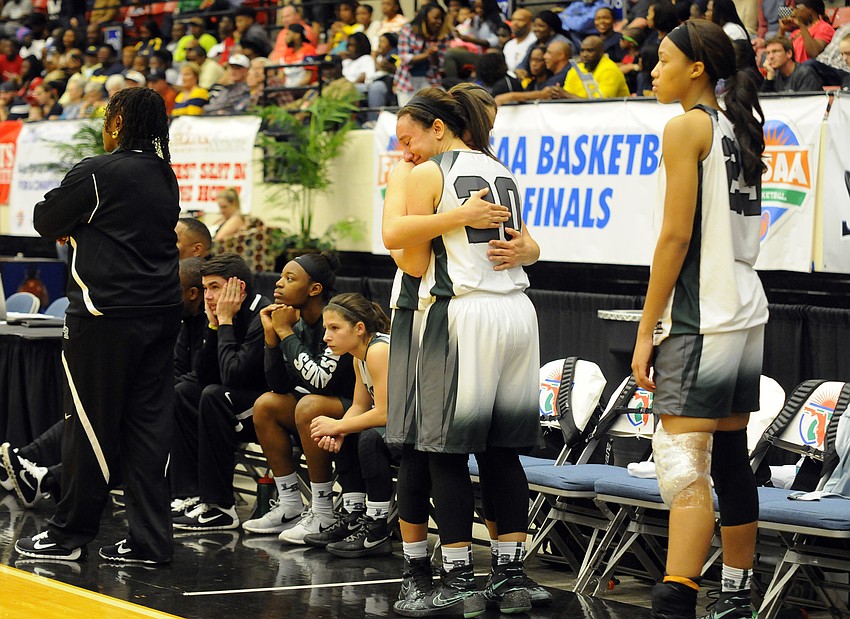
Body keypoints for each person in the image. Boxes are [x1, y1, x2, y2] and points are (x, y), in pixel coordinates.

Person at [385, 85, 543, 617]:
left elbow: (408, 256)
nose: (405, 149)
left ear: (438, 127)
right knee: (501, 452)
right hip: (516, 311)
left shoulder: (426, 173)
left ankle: (454, 576)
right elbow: (527, 245)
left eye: (408, 138)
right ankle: (510, 574)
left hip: (458, 313)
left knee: (438, 450)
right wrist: (527, 249)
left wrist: (442, 218)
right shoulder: (500, 170)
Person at [630, 19, 768, 619]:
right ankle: (736, 593)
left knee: (683, 462)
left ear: (696, 69)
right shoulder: (739, 124)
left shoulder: (687, 126)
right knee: (731, 455)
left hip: (703, 311)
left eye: (663, 60)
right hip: (744, 305)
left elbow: (676, 236)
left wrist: (646, 327)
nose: (652, 70)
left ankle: (677, 595)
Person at [17, 87, 182, 565]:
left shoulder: (97, 171)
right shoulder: (164, 174)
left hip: (103, 317)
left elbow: (45, 218)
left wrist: (76, 228)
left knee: (87, 428)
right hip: (161, 312)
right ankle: (150, 543)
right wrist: (84, 229)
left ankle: (68, 536)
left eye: (108, 115)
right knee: (148, 431)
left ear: (118, 122)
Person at [1, 257, 208, 511]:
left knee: (125, 425)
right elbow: (177, 369)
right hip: (174, 403)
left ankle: (45, 478)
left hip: (194, 410)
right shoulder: (186, 317)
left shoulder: (211, 320)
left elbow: (204, 376)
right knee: (102, 406)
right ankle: (31, 464)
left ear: (193, 293)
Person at [241, 252, 357, 540]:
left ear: (314, 289)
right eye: (281, 277)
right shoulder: (297, 322)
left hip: (362, 411)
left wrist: (284, 331)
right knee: (266, 405)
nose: (278, 284)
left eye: (289, 278)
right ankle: (290, 504)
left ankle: (323, 512)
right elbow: (278, 386)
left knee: (309, 406)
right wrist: (272, 338)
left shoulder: (337, 319)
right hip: (322, 410)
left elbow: (320, 381)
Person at [170, 253, 270, 531]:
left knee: (213, 396)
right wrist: (214, 325)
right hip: (237, 400)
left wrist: (223, 322)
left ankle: (221, 507)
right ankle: (189, 494)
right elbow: (204, 374)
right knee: (183, 392)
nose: (209, 296)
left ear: (239, 287)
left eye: (215, 287)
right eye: (205, 289)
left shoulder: (261, 314)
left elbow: (233, 375)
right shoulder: (217, 313)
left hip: (268, 406)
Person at [307, 292, 396, 558]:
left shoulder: (379, 350)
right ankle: (354, 516)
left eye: (334, 328)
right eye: (326, 329)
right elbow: (359, 405)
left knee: (367, 437)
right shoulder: (360, 356)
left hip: (423, 432)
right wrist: (340, 429)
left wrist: (337, 427)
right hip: (399, 428)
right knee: (348, 430)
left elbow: (385, 414)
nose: (326, 337)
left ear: (359, 328)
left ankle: (377, 528)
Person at [394, 3, 451, 107]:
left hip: (430, 81)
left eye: (441, 19)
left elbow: (439, 65)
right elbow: (404, 58)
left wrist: (434, 54)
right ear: (425, 17)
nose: (439, 22)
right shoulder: (408, 29)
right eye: (436, 18)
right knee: (408, 111)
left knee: (439, 106)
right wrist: (427, 54)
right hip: (407, 81)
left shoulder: (443, 36)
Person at [557, 34, 630, 99]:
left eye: (590, 51)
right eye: (582, 50)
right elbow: (567, 94)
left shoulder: (609, 70)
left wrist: (566, 95)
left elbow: (600, 104)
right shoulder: (576, 69)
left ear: (601, 52)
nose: (584, 54)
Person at [502, 8, 536, 74]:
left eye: (520, 20)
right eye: (513, 20)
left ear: (530, 23)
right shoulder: (509, 45)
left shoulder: (535, 41)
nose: (514, 23)